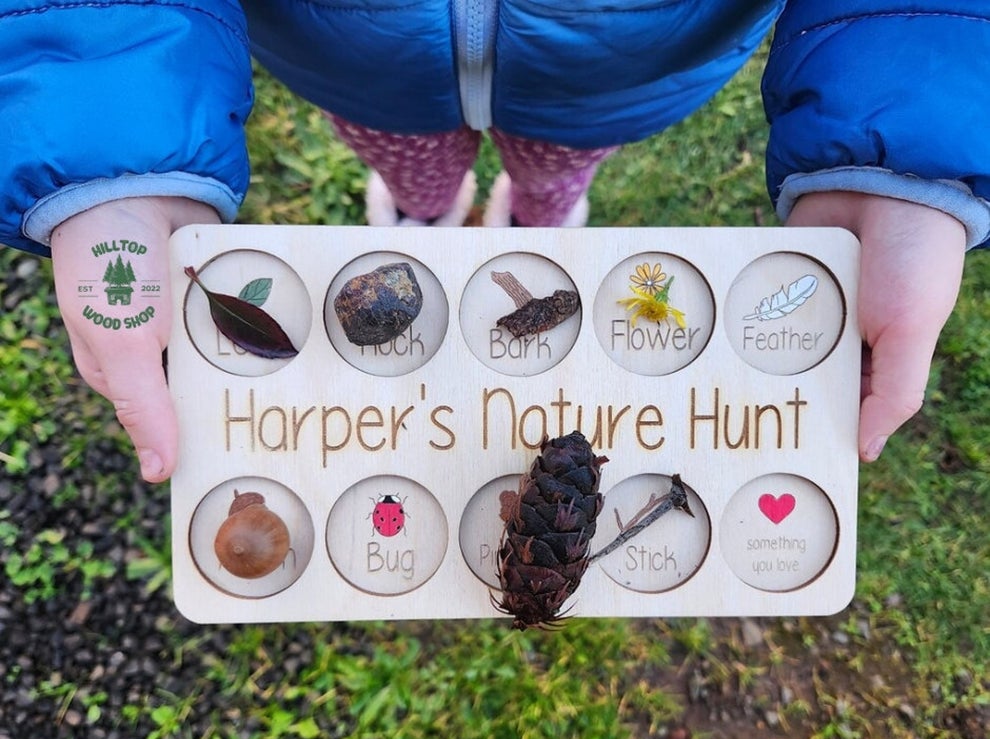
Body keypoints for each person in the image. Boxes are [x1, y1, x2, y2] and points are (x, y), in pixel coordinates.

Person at [1, 2, 986, 482]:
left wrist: (909, 111)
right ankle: (424, 214)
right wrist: (103, 117)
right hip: (369, 73)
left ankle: (536, 218)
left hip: (611, 76)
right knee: (412, 167)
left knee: (558, 171)